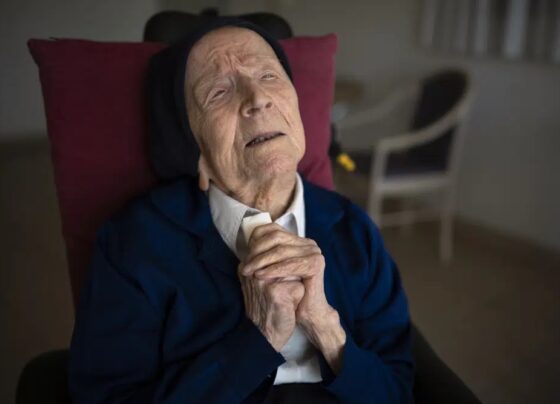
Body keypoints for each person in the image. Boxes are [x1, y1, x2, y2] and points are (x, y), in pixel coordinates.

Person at [68, 18, 414, 403]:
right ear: (190, 145)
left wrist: (328, 330)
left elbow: (398, 391)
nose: (257, 99)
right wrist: (257, 340)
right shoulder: (136, 243)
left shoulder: (353, 229)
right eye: (219, 92)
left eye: (268, 76)